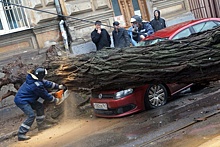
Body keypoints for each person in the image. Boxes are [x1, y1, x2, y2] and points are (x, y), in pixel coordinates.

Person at [14, 67, 66, 141]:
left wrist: (58, 86)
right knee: (31, 115)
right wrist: (55, 100)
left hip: (28, 99)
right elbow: (45, 95)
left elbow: (46, 83)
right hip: (22, 101)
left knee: (40, 107)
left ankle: (41, 126)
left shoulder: (35, 79)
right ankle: (21, 134)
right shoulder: (36, 85)